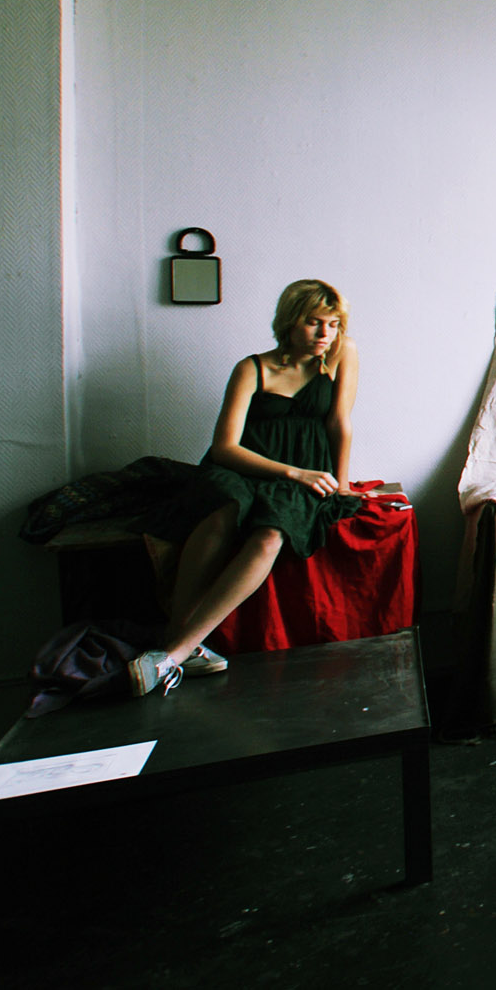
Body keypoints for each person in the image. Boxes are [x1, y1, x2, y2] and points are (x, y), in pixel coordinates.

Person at [130, 279, 363, 696]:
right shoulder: (251, 368)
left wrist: (341, 485)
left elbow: (339, 423)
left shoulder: (340, 354)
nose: (325, 334)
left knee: (271, 534)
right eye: (314, 322)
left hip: (307, 473)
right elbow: (225, 448)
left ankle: (171, 655)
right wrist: (292, 473)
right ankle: (178, 640)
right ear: (290, 321)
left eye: (333, 324)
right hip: (246, 468)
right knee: (225, 510)